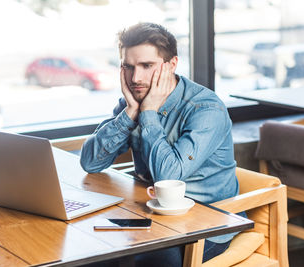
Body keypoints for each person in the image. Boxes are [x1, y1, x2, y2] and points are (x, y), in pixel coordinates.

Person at [80, 22, 241, 267]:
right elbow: (91, 162)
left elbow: (168, 177)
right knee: (90, 253)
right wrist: (130, 112)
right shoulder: (135, 101)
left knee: (146, 260)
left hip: (206, 224)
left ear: (171, 65)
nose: (136, 78)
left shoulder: (206, 109)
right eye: (128, 66)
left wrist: (148, 113)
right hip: (150, 213)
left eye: (147, 66)